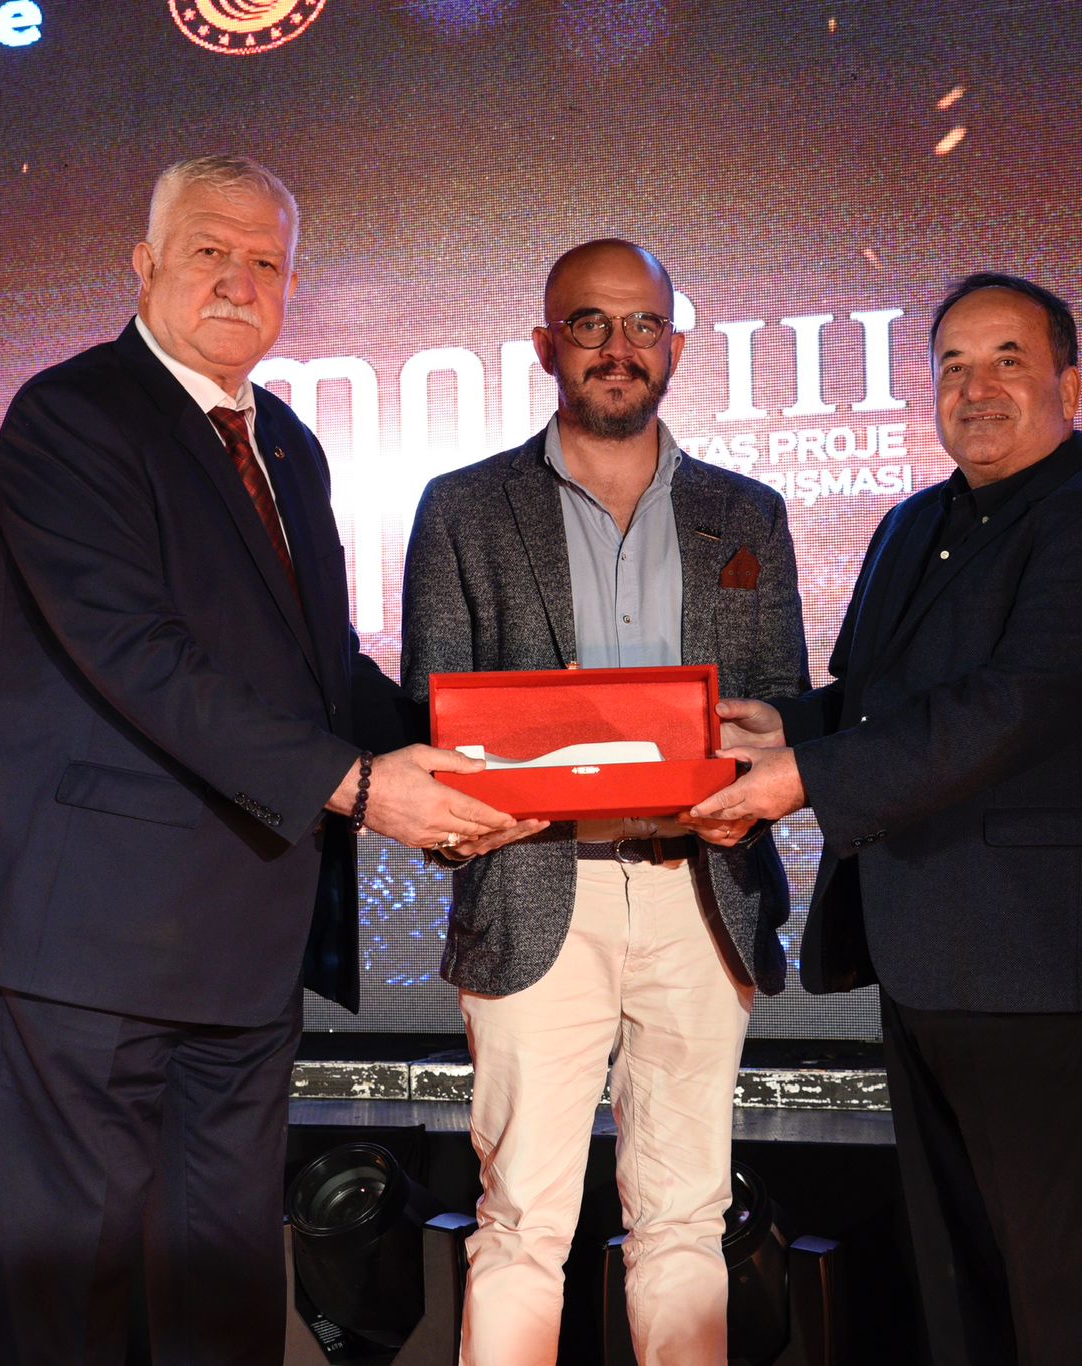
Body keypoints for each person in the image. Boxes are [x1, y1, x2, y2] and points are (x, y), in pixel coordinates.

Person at [0, 154, 518, 1364]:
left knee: (226, 1300)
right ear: (143, 266)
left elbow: (318, 672)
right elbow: (137, 655)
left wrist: (479, 746)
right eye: (209, 251)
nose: (239, 281)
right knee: (60, 1309)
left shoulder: (284, 442)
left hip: (244, 950)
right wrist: (360, 786)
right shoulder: (70, 416)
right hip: (81, 945)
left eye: (265, 261)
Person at [693, 272, 1082, 1365]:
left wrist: (804, 777)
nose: (976, 387)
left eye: (1007, 360)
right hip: (924, 954)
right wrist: (785, 726)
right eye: (953, 364)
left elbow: (1007, 709)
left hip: (1044, 964)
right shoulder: (912, 522)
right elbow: (877, 697)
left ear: (1070, 384)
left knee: (1066, 1292)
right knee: (961, 1286)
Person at [399, 238, 810, 1366]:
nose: (618, 347)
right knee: (522, 1224)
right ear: (546, 345)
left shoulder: (749, 512)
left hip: (700, 893)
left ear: (676, 347)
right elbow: (436, 714)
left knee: (685, 1220)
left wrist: (761, 763)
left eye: (643, 325)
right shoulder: (463, 508)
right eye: (590, 323)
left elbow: (781, 706)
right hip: (537, 889)